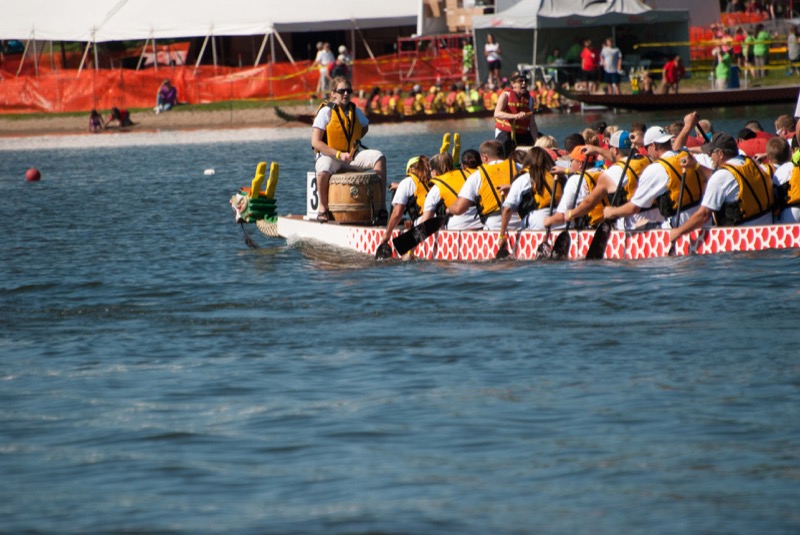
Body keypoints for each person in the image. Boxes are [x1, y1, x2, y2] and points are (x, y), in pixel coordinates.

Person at [669, 132, 775, 243]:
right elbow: (724, 180)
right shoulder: (752, 163)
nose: (709, 156)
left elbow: (704, 215)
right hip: (767, 236)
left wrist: (679, 231)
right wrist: (696, 166)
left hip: (740, 241)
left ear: (720, 153)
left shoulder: (721, 177)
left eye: (711, 152)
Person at [310, 76, 387, 223]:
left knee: (379, 157)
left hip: (351, 156)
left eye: (348, 90)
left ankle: (382, 207)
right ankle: (322, 208)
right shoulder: (325, 112)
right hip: (330, 157)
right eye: (341, 91)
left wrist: (355, 142)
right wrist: (339, 154)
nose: (346, 93)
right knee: (323, 168)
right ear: (333, 93)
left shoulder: (355, 111)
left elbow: (365, 127)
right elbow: (315, 142)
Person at [603, 124, 706, 229]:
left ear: (654, 146)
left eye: (646, 148)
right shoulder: (687, 155)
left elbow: (634, 208)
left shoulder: (657, 168)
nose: (647, 152)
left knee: (638, 224)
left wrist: (612, 212)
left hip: (677, 227)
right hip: (703, 221)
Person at [566, 130, 652, 230]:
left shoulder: (614, 172)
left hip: (632, 225)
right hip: (656, 220)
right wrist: (596, 149)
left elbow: (589, 203)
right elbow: (616, 158)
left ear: (615, 150)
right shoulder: (646, 159)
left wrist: (572, 213)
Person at [447, 140, 521, 231]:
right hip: (520, 222)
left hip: (495, 225)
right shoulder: (519, 167)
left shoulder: (477, 175)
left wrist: (449, 210)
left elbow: (459, 208)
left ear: (484, 158)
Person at [499, 147, 564, 241]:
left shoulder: (523, 179)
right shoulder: (559, 177)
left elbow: (507, 209)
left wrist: (502, 235)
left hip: (539, 222)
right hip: (562, 220)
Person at [379, 156, 432, 248]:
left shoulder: (407, 182)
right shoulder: (433, 180)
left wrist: (387, 234)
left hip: (423, 228)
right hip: (439, 223)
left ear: (409, 169)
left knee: (402, 249)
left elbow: (397, 213)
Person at [420, 151, 479, 229]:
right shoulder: (470, 175)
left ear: (434, 172)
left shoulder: (436, 189)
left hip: (458, 225)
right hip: (480, 221)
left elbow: (426, 219)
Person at [493, 71, 539, 156]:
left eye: (526, 81)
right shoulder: (505, 95)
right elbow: (497, 113)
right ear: (513, 84)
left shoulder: (530, 100)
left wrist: (537, 142)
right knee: (505, 141)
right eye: (520, 81)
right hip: (505, 132)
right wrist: (515, 116)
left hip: (521, 133)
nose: (524, 83)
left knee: (543, 140)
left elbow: (532, 124)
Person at [771, 137, 800, 222]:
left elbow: (774, 194)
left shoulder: (780, 171)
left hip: (790, 213)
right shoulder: (795, 167)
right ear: (790, 152)